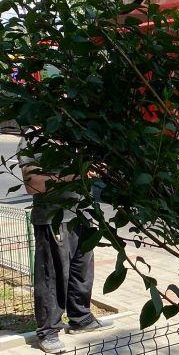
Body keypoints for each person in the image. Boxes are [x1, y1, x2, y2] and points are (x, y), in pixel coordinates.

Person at [18, 131, 112, 353]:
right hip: (53, 218)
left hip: (82, 214)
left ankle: (81, 318)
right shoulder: (32, 138)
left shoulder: (74, 133)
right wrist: (77, 175)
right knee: (52, 277)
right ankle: (48, 331)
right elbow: (33, 184)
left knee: (82, 272)